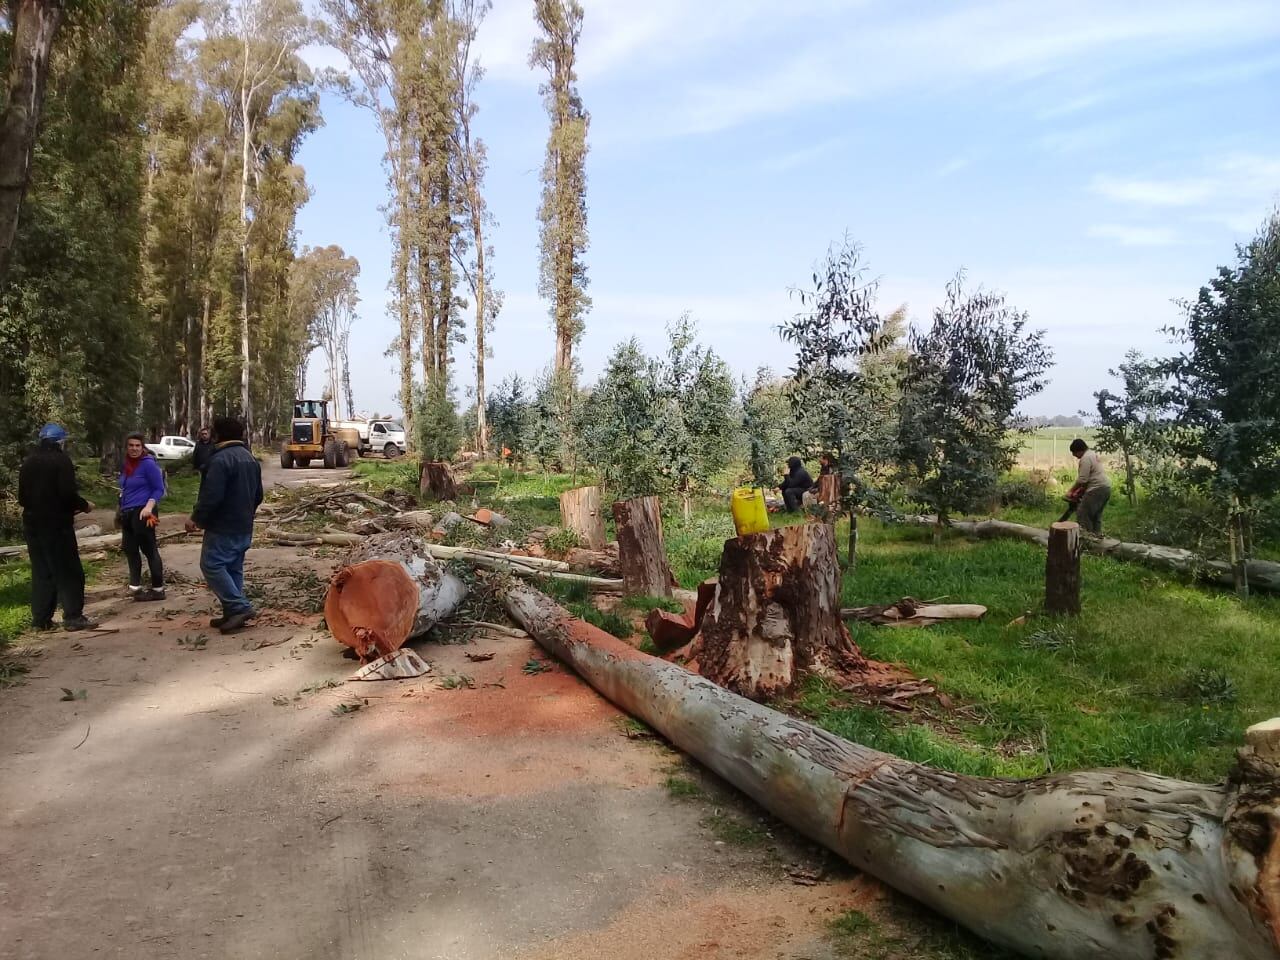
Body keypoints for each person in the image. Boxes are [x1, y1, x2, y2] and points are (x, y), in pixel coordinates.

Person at [185, 416, 263, 633]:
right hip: (243, 524)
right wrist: (246, 513)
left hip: (223, 525)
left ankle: (238, 607)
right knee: (233, 567)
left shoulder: (220, 460)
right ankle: (232, 611)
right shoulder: (249, 459)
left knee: (212, 565)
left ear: (218, 435)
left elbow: (212, 496)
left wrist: (196, 518)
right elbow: (258, 495)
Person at [17, 423, 96, 631]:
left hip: (32, 524)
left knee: (42, 571)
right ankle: (73, 616)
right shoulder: (61, 461)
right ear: (60, 442)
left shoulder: (28, 462)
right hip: (57, 525)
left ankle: (41, 620)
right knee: (69, 571)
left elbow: (22, 498)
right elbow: (67, 493)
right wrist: (84, 506)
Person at [119, 433, 166, 601]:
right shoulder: (127, 464)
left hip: (145, 511)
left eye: (137, 446)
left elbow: (159, 488)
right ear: (126, 447)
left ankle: (158, 589)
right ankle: (135, 587)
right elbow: (125, 488)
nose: (134, 448)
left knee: (149, 549)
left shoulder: (148, 465)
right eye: (131, 445)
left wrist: (149, 506)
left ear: (143, 447)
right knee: (130, 548)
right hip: (128, 511)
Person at [1067, 438, 1111, 535]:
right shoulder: (1092, 454)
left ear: (1079, 450)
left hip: (1097, 489)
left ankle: (1087, 539)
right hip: (1105, 488)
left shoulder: (1085, 458)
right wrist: (1079, 492)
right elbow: (1089, 479)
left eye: (1074, 453)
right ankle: (1097, 538)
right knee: (1096, 516)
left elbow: (1083, 479)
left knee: (1083, 514)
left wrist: (1071, 491)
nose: (1074, 456)